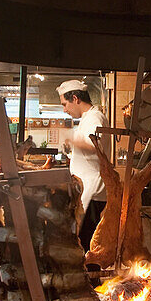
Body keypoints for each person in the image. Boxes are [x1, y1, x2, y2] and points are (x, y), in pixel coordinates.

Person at [57, 79, 108, 250]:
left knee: (89, 246)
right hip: (87, 190)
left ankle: (91, 277)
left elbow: (95, 146)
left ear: (76, 98)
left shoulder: (95, 117)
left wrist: (71, 139)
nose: (65, 110)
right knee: (84, 244)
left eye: (65, 104)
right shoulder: (87, 119)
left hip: (93, 192)